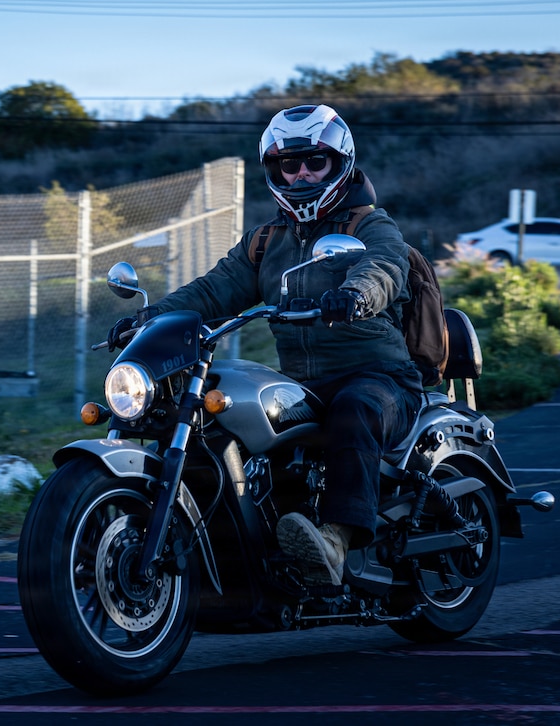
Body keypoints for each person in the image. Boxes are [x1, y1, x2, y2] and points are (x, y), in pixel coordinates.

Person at [107, 104, 423, 586]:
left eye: (314, 162)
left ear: (340, 164)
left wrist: (357, 295)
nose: (300, 174)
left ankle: (335, 542)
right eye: (288, 165)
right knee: (233, 412)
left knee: (356, 406)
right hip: (307, 383)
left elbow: (384, 267)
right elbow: (213, 290)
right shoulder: (264, 242)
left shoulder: (370, 225)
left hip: (381, 377)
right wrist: (148, 318)